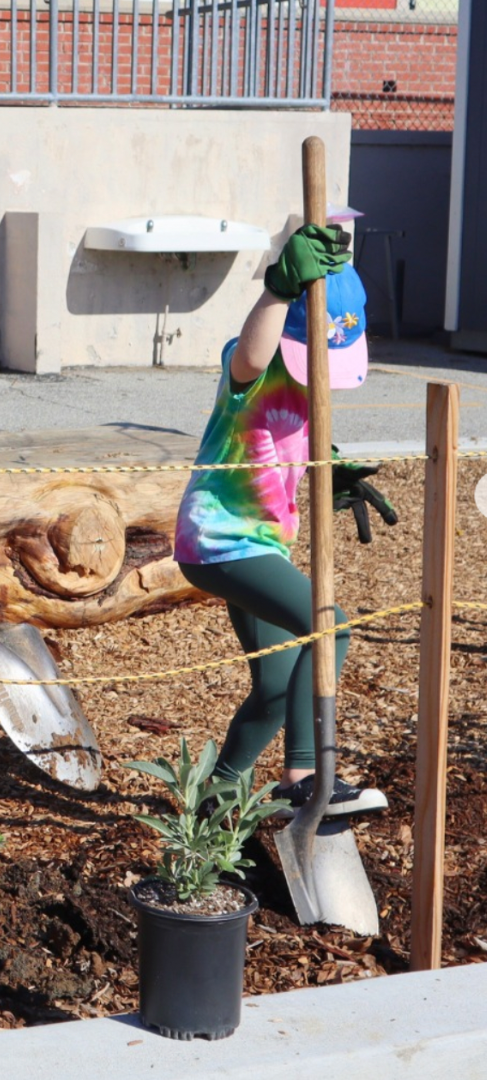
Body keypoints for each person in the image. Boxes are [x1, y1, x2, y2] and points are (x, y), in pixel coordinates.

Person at [174, 224, 390, 819]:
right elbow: (249, 355)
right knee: (331, 625)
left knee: (275, 685)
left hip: (261, 545)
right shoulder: (254, 373)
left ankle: (212, 805)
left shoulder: (309, 390)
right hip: (220, 538)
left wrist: (331, 471)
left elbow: (290, 450)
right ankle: (305, 774)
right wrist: (276, 290)